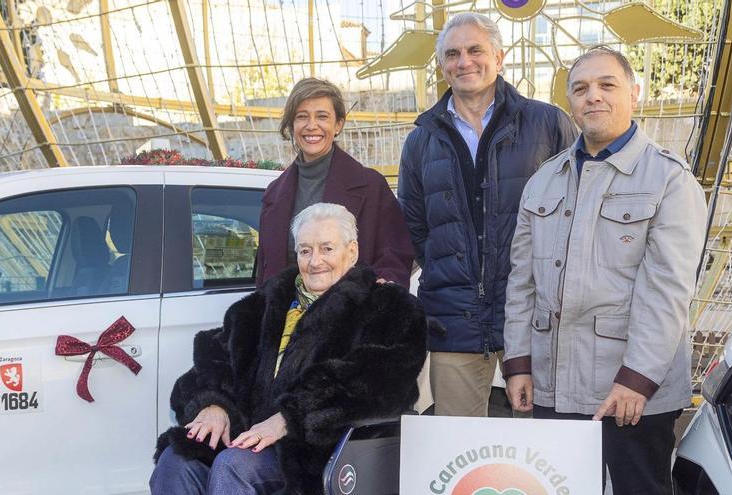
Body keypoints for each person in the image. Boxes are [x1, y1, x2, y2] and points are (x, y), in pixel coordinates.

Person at [502, 46, 707, 495]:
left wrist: (637, 379)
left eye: (606, 85)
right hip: (553, 386)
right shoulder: (544, 181)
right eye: (580, 88)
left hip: (631, 393)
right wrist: (518, 364)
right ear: (570, 103)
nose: (592, 96)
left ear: (633, 94)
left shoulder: (669, 181)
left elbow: (668, 292)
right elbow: (522, 283)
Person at [151, 203, 429, 494]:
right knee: (177, 460)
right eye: (305, 250)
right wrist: (213, 403)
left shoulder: (386, 306)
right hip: (249, 436)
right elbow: (213, 361)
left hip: (318, 449)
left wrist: (291, 417)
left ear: (353, 251)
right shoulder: (265, 305)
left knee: (234, 465)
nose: (315, 261)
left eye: (327, 249)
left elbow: (381, 382)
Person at [398, 12, 576, 417]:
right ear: (442, 67)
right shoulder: (421, 141)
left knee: (542, 451)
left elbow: (577, 208)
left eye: (475, 50)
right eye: (453, 54)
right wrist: (454, 272)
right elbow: (416, 227)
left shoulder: (547, 123)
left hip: (534, 319)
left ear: (499, 56)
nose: (465, 62)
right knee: (459, 452)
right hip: (453, 323)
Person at [256, 78, 414, 288]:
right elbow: (265, 275)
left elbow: (394, 257)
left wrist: (379, 294)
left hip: (351, 315)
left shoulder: (371, 186)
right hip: (288, 317)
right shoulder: (273, 194)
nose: (312, 126)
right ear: (292, 125)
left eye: (322, 116)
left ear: (338, 124)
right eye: (302, 117)